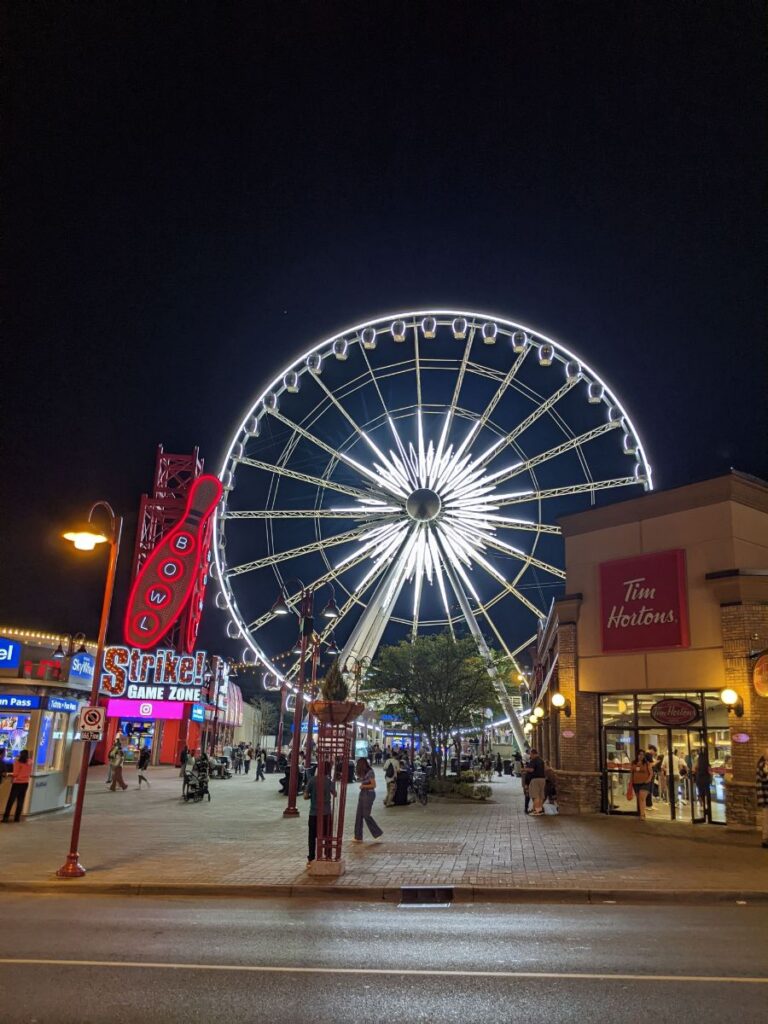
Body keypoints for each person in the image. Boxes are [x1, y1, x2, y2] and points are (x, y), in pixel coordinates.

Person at [304, 762, 337, 865]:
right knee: (327, 836)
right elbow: (335, 794)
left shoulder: (312, 780)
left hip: (313, 813)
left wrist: (312, 796)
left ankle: (311, 858)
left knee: (312, 837)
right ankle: (327, 855)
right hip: (326, 813)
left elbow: (305, 796)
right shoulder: (328, 781)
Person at [352, 757, 383, 842]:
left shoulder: (370, 772)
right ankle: (357, 836)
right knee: (359, 815)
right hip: (363, 793)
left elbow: (373, 785)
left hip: (369, 794)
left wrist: (363, 786)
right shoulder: (364, 772)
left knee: (366, 815)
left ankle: (377, 833)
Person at [2, 749, 32, 823]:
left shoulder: (17, 763)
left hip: (17, 783)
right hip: (25, 783)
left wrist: (8, 774)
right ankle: (17, 818)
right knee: (20, 801)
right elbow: (30, 759)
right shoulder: (30, 762)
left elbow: (15, 774)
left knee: (11, 800)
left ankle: (6, 817)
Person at [630, 750, 653, 819]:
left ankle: (642, 815)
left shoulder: (646, 763)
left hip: (645, 783)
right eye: (639, 754)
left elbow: (651, 773)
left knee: (642, 798)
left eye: (642, 755)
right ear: (637, 755)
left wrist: (648, 780)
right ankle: (643, 813)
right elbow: (632, 773)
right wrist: (631, 781)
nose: (641, 756)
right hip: (635, 783)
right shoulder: (633, 763)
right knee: (640, 799)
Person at [524, 748, 547, 815]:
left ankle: (536, 811)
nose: (530, 756)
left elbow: (531, 770)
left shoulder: (534, 760)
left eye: (531, 754)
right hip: (542, 779)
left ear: (533, 754)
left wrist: (525, 769)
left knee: (536, 796)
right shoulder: (541, 761)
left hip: (535, 780)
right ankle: (539, 810)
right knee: (541, 795)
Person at [756, 748, 768, 849]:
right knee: (766, 819)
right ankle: (765, 840)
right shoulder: (761, 766)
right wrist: (761, 800)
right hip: (766, 797)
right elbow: (760, 783)